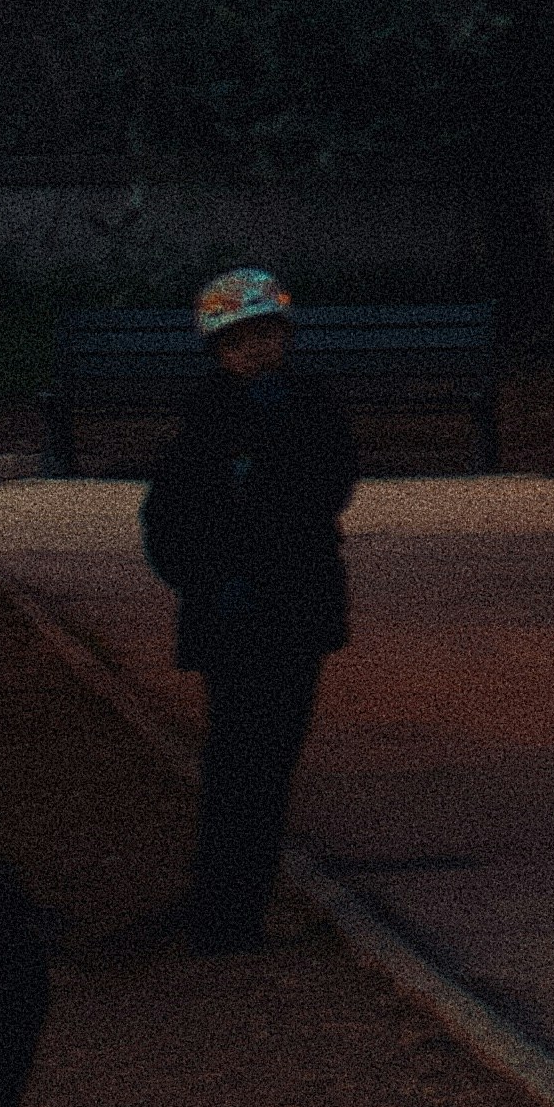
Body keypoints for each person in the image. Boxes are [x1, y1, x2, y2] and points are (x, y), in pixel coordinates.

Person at [140, 266, 358, 953]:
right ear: (218, 351)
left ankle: (240, 905)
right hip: (232, 609)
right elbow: (169, 516)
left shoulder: (311, 404)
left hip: (293, 604)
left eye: (265, 335)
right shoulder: (204, 417)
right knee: (234, 756)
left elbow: (330, 485)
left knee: (271, 758)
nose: (255, 352)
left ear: (284, 336)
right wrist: (204, 579)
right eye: (238, 342)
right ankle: (220, 904)